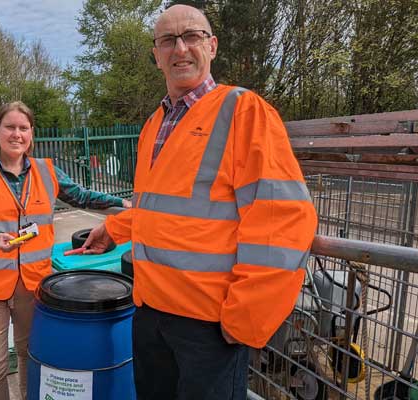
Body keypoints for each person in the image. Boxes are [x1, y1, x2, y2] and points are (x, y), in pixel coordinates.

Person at [83, 4, 318, 400]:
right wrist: (113, 229)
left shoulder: (243, 111)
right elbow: (155, 207)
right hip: (151, 313)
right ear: (156, 55)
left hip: (209, 326)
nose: (180, 49)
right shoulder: (154, 124)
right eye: (168, 41)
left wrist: (245, 319)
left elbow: (283, 222)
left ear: (211, 46)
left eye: (191, 36)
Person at [0, 100, 131, 400]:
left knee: (29, 356)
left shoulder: (47, 171)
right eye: (10, 127)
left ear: (32, 133)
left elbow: (80, 196)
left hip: (32, 285)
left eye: (23, 128)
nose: (16, 134)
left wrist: (123, 204)